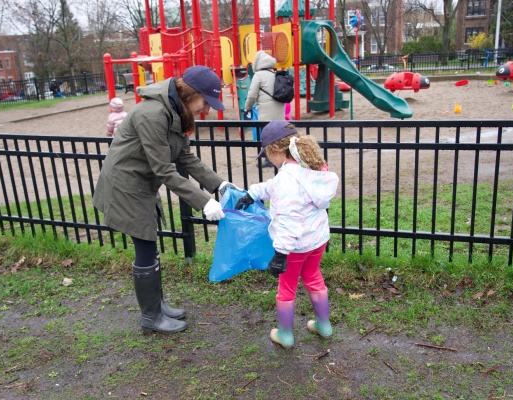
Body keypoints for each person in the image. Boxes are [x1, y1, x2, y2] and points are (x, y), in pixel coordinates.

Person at [93, 65, 237, 335]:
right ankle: (151, 317)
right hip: (126, 186)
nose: (205, 108)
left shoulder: (173, 111)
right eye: (205, 101)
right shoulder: (153, 114)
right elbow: (164, 170)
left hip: (141, 184)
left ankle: (157, 306)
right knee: (146, 248)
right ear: (191, 94)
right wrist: (204, 202)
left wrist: (220, 184)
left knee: (150, 246)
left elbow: (184, 158)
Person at [234, 120, 339, 348]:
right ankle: (324, 325)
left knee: (287, 287)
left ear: (275, 151)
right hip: (317, 241)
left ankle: (285, 334)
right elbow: (273, 186)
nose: (268, 160)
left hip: (294, 247)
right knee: (313, 278)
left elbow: (289, 220)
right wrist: (253, 194)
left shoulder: (287, 180)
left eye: (267, 155)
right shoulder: (310, 169)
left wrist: (280, 254)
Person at [244, 50, 286, 168]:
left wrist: (247, 108)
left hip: (265, 110)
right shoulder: (275, 74)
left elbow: (252, 94)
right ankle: (281, 157)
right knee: (278, 133)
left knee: (266, 133)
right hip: (279, 108)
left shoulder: (259, 75)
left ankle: (269, 159)